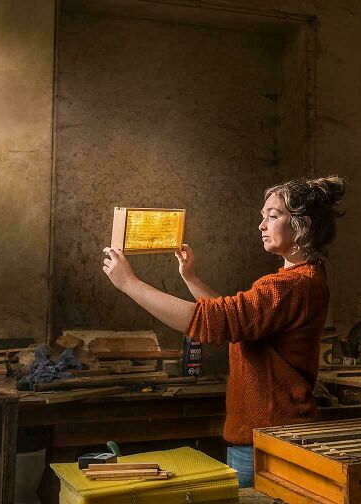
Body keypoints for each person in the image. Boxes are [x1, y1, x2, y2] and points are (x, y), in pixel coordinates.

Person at [102, 176, 345, 487]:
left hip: (270, 438)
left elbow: (212, 321)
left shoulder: (289, 286)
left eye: (272, 216)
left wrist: (129, 284)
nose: (261, 225)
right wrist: (190, 277)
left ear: (302, 226)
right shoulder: (304, 279)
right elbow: (239, 323)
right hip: (273, 433)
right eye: (263, 216)